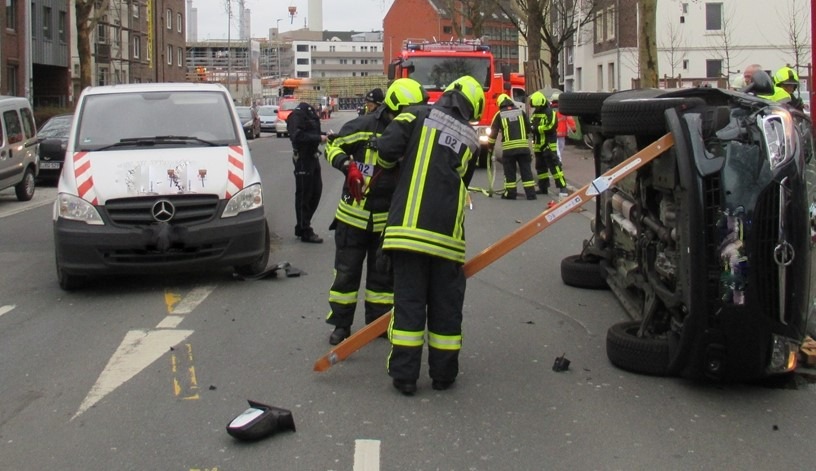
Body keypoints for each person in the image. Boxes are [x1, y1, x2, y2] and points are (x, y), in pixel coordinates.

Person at [376, 75, 484, 395]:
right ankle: (443, 375)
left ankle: (405, 377)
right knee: (445, 307)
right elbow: (462, 178)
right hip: (447, 240)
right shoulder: (471, 138)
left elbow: (386, 150)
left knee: (409, 303)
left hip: (408, 233)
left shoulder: (415, 114)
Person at [322, 78, 429, 345]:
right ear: (391, 108)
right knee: (346, 275)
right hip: (352, 216)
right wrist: (348, 166)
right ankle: (341, 325)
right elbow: (332, 146)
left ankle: (378, 324)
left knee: (382, 279)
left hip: (386, 220)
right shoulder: (363, 126)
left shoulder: (413, 132)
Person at [287, 101, 328, 243]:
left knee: (316, 192)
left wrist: (324, 135)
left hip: (312, 157)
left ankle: (303, 225)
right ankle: (304, 229)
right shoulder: (297, 116)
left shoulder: (309, 113)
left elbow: (312, 132)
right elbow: (297, 136)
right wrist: (318, 138)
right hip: (303, 159)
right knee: (305, 195)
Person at [486, 93, 536, 200]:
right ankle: (531, 194)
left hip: (509, 150)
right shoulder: (521, 112)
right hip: (523, 149)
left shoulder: (499, 114)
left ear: (499, 104)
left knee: (510, 172)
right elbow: (529, 128)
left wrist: (490, 147)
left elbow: (492, 134)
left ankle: (511, 193)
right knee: (526, 171)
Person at [530, 90, 567, 199]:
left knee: (554, 167)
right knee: (540, 168)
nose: (536, 108)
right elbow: (531, 124)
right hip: (538, 145)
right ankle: (543, 187)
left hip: (548, 145)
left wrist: (536, 129)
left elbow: (551, 126)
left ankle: (562, 187)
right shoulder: (535, 113)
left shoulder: (549, 112)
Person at [552, 92, 576, 161]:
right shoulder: (563, 109)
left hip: (553, 132)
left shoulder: (550, 110)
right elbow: (569, 119)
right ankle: (558, 160)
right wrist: (573, 128)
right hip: (562, 132)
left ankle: (557, 159)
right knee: (560, 147)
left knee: (556, 147)